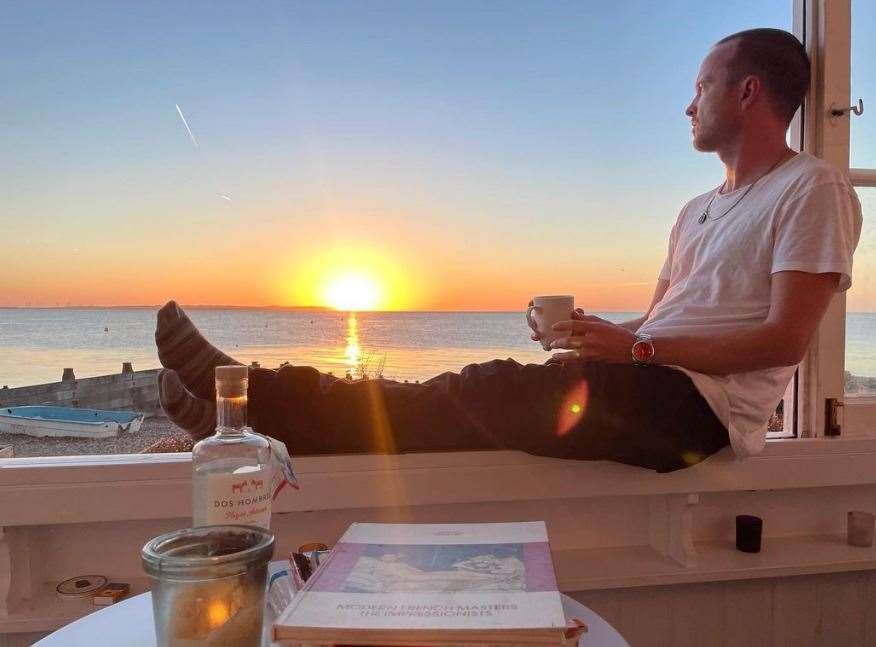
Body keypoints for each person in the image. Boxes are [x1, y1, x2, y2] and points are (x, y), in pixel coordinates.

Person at [156, 28, 861, 473]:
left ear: (747, 92)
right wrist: (595, 335)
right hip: (656, 381)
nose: (688, 104)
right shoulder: (695, 211)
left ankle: (249, 398)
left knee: (482, 387)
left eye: (700, 86)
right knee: (456, 397)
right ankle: (239, 416)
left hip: (698, 413)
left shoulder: (812, 188)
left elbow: (783, 340)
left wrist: (637, 351)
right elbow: (654, 329)